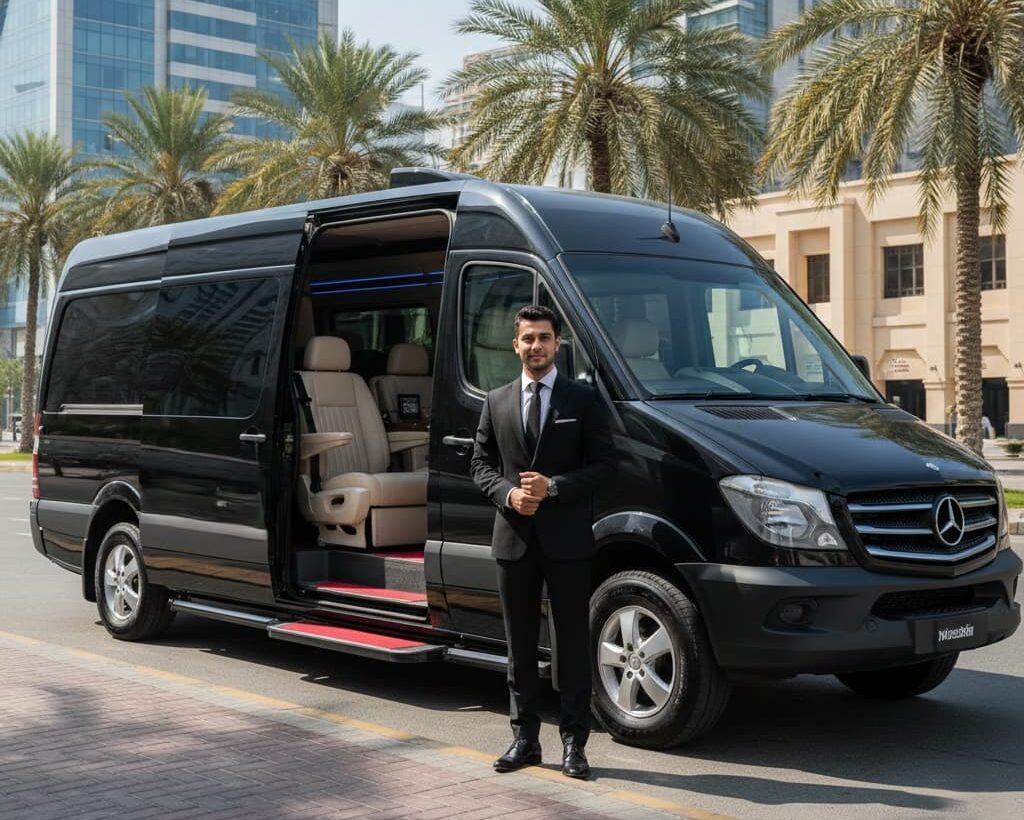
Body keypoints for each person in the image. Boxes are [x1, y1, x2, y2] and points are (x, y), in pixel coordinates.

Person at [470, 304, 614, 779]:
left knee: (571, 646)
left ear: (558, 344)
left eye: (545, 338)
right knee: (520, 646)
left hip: (568, 541)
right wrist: (509, 494)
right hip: (513, 540)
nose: (536, 346)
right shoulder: (496, 400)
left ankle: (574, 744)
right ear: (516, 345)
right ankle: (524, 740)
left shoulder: (583, 400)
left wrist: (553, 488)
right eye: (528, 338)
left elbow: (604, 466)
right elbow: (479, 465)